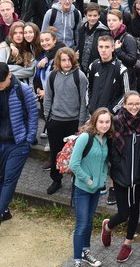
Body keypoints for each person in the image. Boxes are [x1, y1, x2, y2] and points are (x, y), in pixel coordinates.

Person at [0, 62, 38, 227]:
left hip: (19, 143)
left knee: (10, 177)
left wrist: (28, 139)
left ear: (9, 75)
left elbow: (33, 115)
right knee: (1, 177)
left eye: (1, 82)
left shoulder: (23, 90)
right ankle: (5, 211)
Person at [101, 91, 140, 262]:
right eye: (130, 104)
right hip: (120, 174)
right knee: (123, 213)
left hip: (138, 174)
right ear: (124, 104)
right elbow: (111, 149)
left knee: (135, 209)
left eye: (137, 104)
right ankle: (108, 226)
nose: (134, 107)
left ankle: (127, 244)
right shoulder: (116, 121)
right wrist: (119, 166)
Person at [70, 108, 113, 267]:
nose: (104, 125)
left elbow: (104, 163)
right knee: (81, 224)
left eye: (107, 122)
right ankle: (77, 260)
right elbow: (74, 164)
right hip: (82, 189)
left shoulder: (106, 139)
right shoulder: (85, 137)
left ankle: (85, 252)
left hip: (96, 189)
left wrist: (101, 180)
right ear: (94, 121)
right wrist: (89, 181)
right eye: (101, 122)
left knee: (89, 221)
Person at [43, 47, 89, 194]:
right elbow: (48, 98)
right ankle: (56, 180)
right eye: (63, 60)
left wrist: (81, 124)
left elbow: (84, 102)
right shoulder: (52, 76)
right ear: (58, 61)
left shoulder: (80, 76)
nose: (67, 63)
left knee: (75, 154)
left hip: (74, 122)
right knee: (55, 153)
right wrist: (48, 118)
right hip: (55, 121)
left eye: (69, 60)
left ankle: (76, 182)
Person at [87, 35, 131, 114]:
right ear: (97, 48)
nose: (103, 50)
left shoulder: (121, 69)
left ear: (113, 48)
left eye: (107, 47)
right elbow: (88, 87)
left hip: (111, 116)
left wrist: (112, 110)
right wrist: (90, 105)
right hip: (93, 114)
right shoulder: (93, 65)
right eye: (101, 47)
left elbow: (126, 94)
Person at [0, 21, 36, 85]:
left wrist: (8, 71)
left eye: (21, 33)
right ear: (11, 34)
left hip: (25, 86)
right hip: (7, 85)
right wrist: (23, 69)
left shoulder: (29, 48)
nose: (18, 35)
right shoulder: (4, 47)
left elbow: (31, 71)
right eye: (15, 33)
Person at [77, 3, 110, 75]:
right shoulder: (82, 29)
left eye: (95, 15)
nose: (92, 18)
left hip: (96, 68)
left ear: (99, 16)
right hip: (82, 67)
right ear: (85, 15)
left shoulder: (104, 32)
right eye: (90, 15)